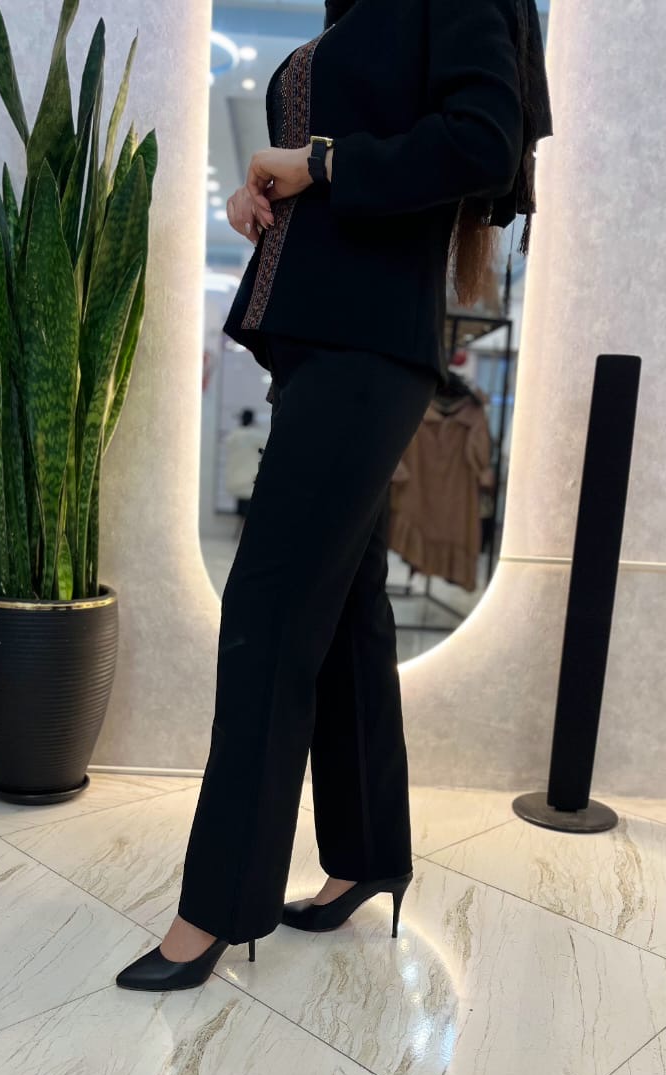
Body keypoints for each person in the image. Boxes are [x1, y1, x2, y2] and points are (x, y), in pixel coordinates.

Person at [117, 0, 552, 991]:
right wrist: (267, 195)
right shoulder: (354, 8)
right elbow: (355, 160)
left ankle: (216, 907)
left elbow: (483, 140)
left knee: (266, 612)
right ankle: (367, 854)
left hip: (369, 348)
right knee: (350, 617)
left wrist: (319, 163)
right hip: (325, 344)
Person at [223, 408, 271, 529]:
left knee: (242, 511)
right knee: (249, 512)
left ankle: (242, 532)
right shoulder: (253, 435)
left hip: (235, 481)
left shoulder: (233, 435)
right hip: (249, 482)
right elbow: (268, 442)